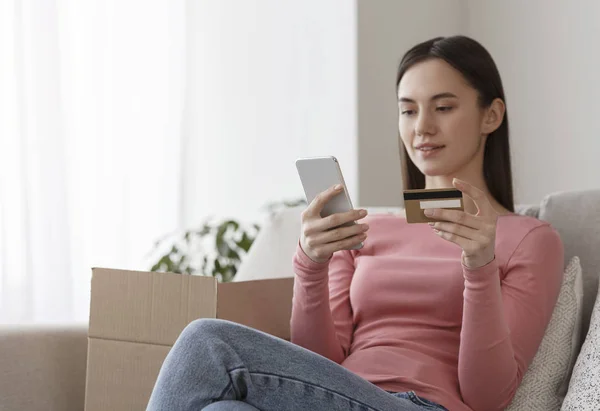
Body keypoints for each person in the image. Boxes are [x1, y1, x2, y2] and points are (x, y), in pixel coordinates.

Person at [146, 35, 564, 411]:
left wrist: (478, 269)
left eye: (444, 107)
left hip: (423, 406)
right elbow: (319, 364)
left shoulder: (527, 238)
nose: (422, 128)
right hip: (337, 394)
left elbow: (488, 397)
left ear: (491, 116)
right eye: (407, 110)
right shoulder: (368, 229)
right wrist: (311, 265)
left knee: (207, 343)